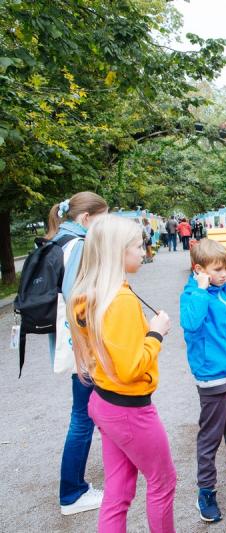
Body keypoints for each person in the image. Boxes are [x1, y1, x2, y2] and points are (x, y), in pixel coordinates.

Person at [68, 215, 176, 533]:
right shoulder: (121, 300)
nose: (143, 251)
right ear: (118, 252)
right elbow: (130, 369)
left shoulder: (90, 294)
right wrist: (156, 333)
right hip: (130, 410)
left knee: (118, 491)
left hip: (105, 404)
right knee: (163, 482)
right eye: (137, 246)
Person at [180, 239, 226, 523]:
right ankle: (206, 490)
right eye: (218, 269)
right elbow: (192, 324)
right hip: (212, 377)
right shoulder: (193, 295)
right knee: (210, 435)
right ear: (199, 270)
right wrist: (199, 290)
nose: (224, 274)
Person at [45, 192, 109, 516]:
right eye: (102, 219)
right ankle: (72, 492)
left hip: (75, 344)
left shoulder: (60, 240)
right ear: (86, 219)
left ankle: (75, 487)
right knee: (82, 417)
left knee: (84, 414)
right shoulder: (79, 244)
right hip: (83, 346)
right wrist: (86, 352)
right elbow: (75, 300)